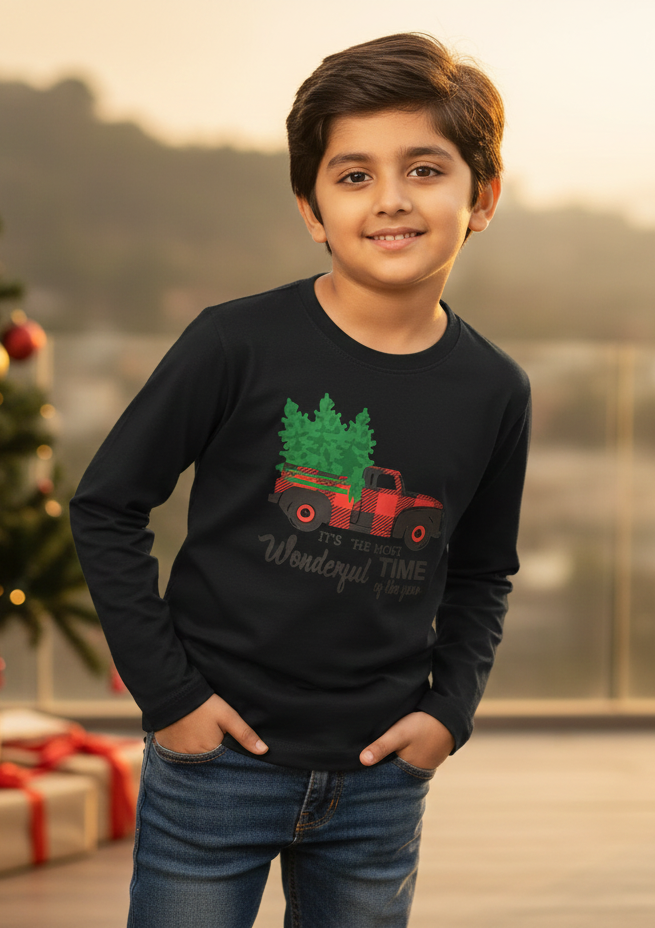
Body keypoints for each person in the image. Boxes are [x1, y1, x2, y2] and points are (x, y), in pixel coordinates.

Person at [70, 32, 530, 928]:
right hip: (216, 762)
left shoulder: (495, 389)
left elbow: (481, 571)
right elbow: (107, 506)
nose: (390, 199)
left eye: (425, 169)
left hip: (378, 781)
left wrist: (448, 714)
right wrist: (173, 700)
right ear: (311, 209)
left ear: (482, 197)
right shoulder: (232, 343)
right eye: (353, 175)